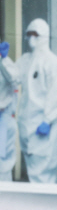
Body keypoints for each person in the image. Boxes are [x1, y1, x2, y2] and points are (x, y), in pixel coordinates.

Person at [16, 19, 57, 183]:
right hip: (27, 126)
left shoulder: (54, 64)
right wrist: (3, 61)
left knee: (43, 176)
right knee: (33, 173)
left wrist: (47, 119)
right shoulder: (25, 60)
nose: (32, 38)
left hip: (43, 127)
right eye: (29, 34)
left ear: (44, 36)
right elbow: (12, 76)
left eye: (36, 35)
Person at [0, 40, 19, 181]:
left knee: (2, 162)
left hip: (3, 117)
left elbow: (14, 79)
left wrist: (4, 59)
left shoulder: (6, 64)